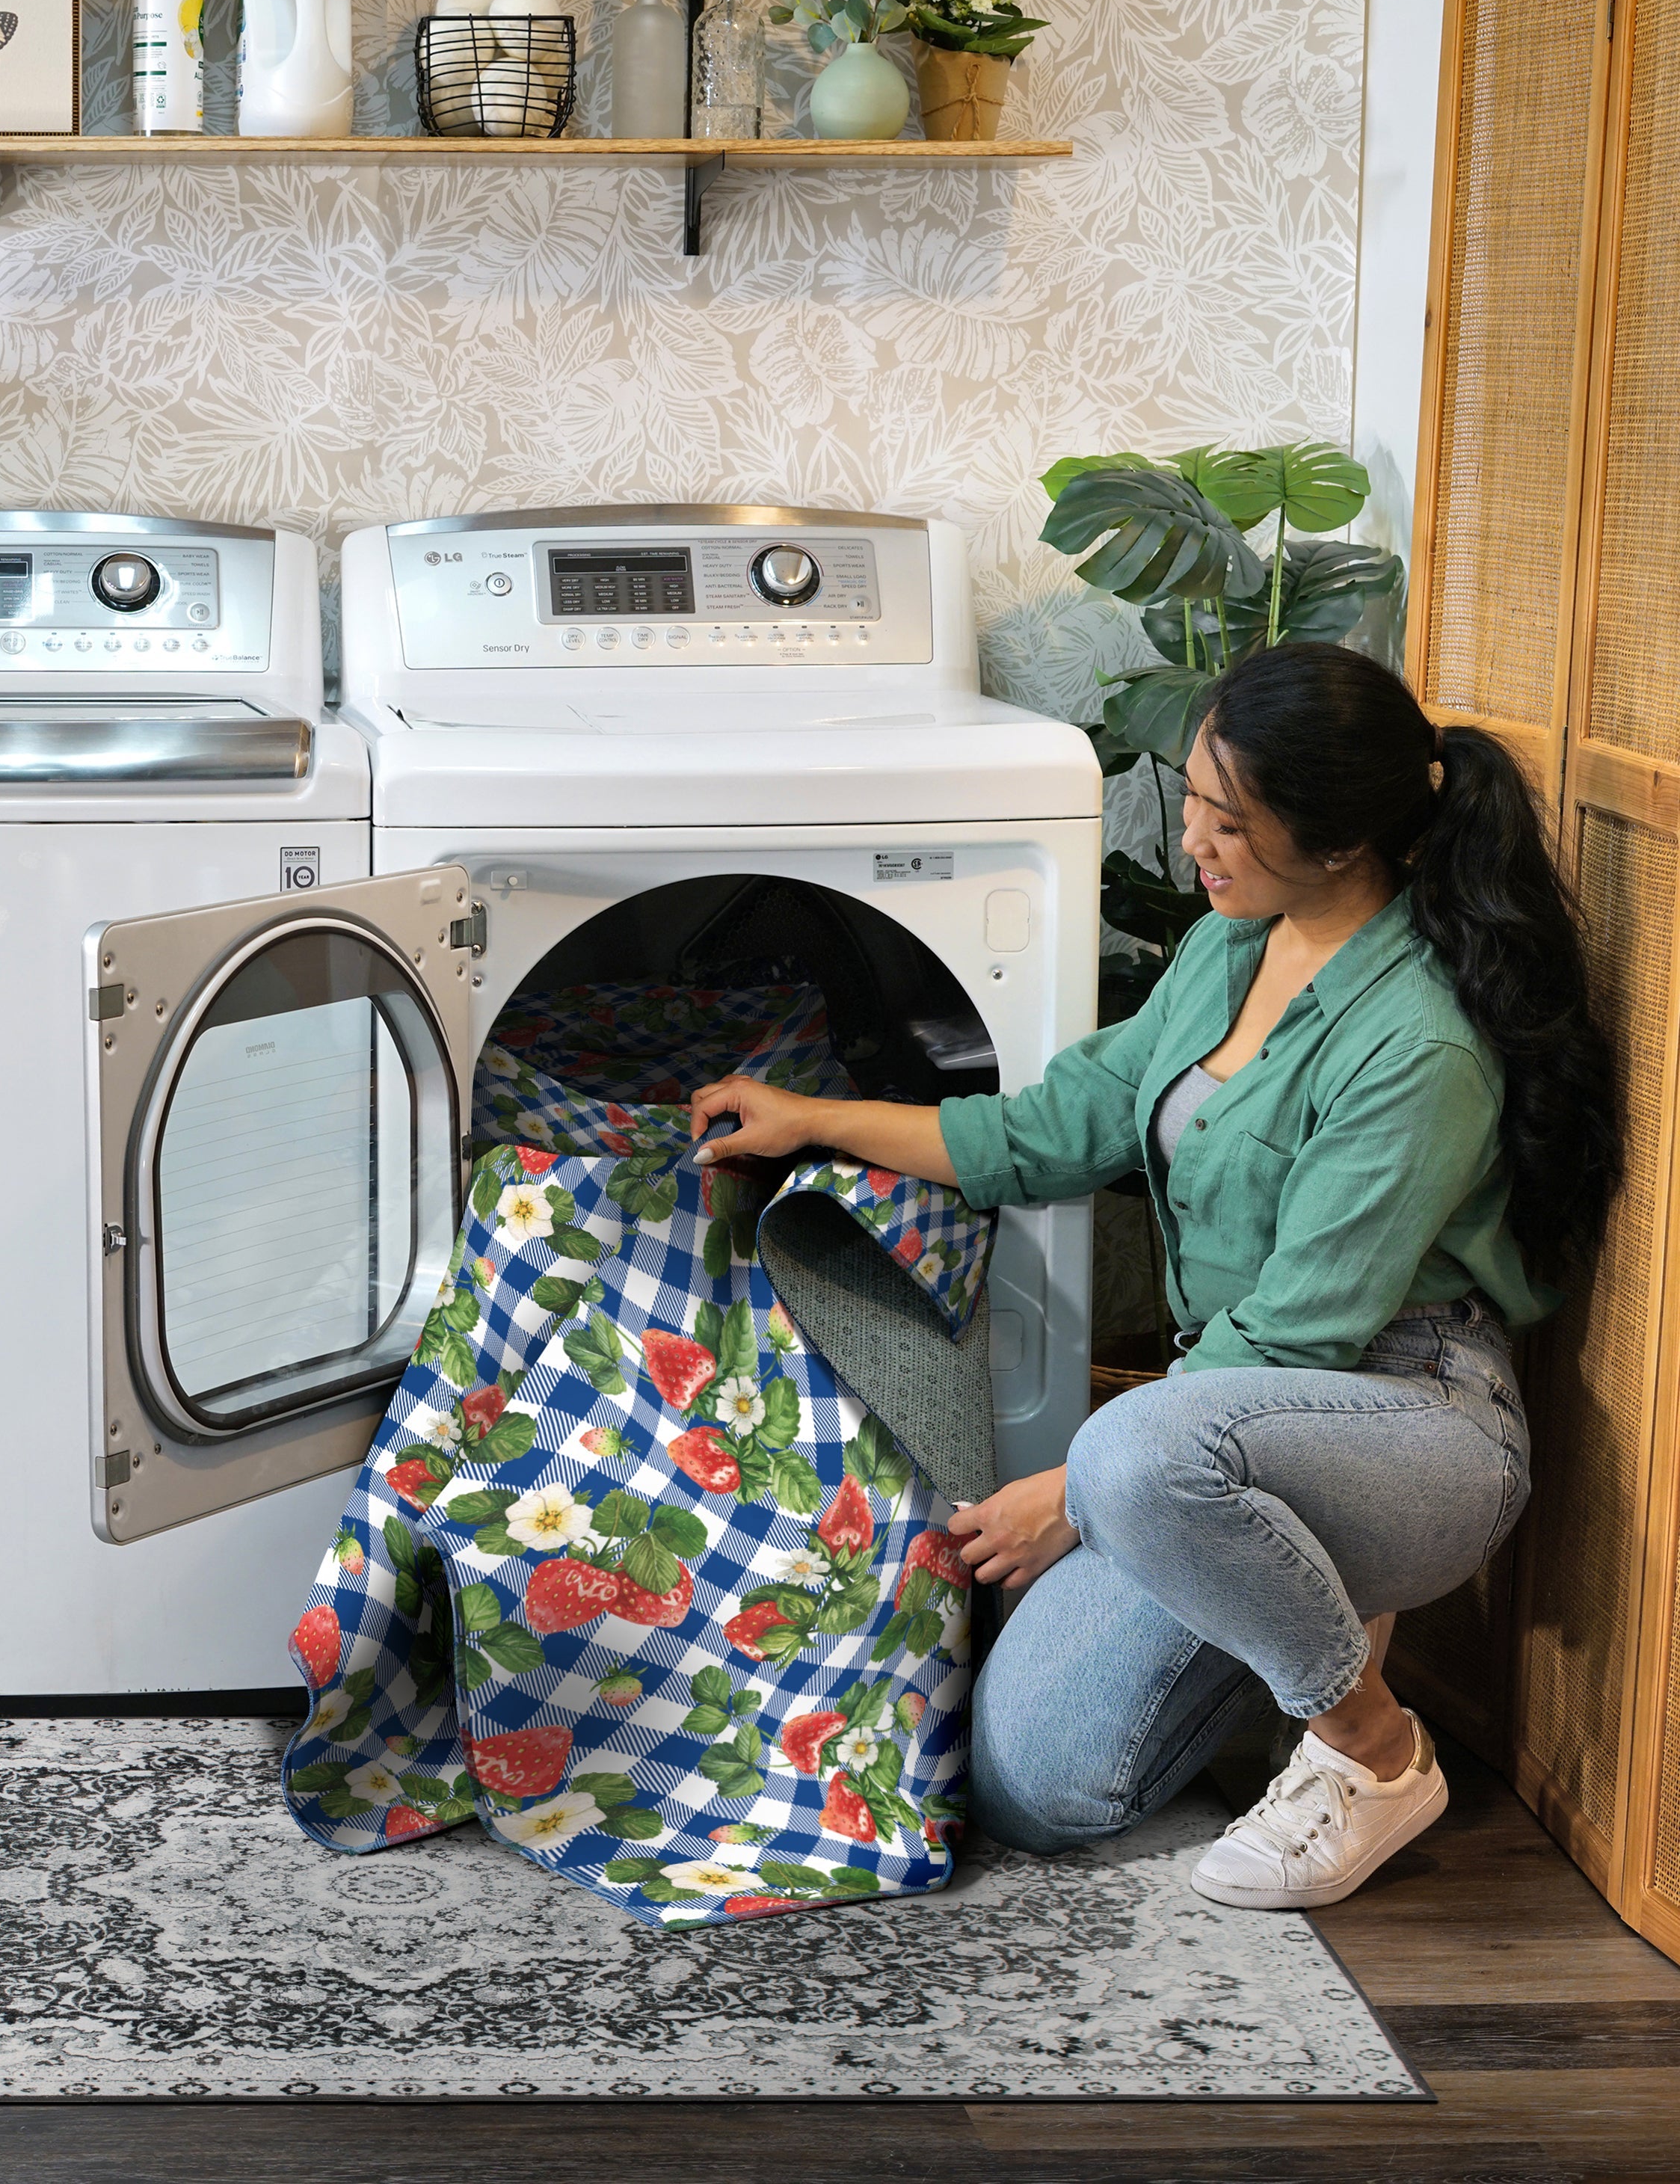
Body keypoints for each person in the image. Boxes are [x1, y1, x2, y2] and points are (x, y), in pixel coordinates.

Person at [687, 642, 1619, 1910]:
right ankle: (1288, 1601)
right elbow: (1053, 1130)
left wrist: (1070, 1495)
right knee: (1027, 1786)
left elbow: (1308, 1326)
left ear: (1343, 843)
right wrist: (817, 1117)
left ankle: (1374, 1753)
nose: (1192, 841)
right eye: (1191, 800)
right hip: (1218, 1426)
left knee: (1131, 1455)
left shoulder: (1420, 1043)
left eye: (1227, 821)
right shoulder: (1230, 951)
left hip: (1411, 1421)